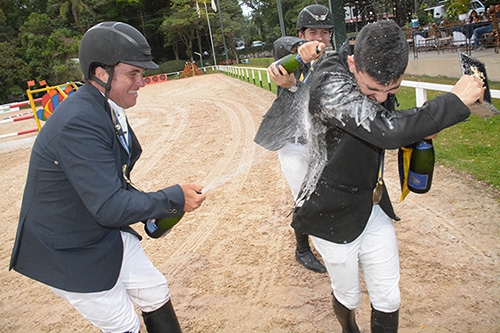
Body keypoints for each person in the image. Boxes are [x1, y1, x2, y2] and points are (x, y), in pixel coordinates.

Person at [9, 22, 206, 332]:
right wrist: (172, 198)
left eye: (142, 73)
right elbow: (110, 206)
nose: (141, 82)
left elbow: (110, 182)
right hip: (68, 248)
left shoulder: (107, 108)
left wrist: (158, 212)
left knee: (154, 289)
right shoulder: (78, 121)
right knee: (124, 324)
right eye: (133, 74)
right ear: (101, 73)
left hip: (99, 229)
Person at [292, 20, 484, 331]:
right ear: (353, 63)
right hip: (329, 209)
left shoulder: (373, 70)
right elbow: (385, 128)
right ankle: (348, 328)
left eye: (392, 90)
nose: (382, 98)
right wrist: (453, 101)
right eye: (372, 90)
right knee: (349, 295)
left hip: (372, 203)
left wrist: (418, 128)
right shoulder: (329, 79)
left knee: (388, 297)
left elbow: (386, 120)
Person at [254, 4, 334, 274]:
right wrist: (302, 48)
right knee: (304, 195)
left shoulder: (333, 64)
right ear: (301, 33)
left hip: (322, 143)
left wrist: (295, 86)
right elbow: (280, 43)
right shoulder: (290, 56)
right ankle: (302, 248)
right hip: (293, 145)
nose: (320, 38)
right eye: (313, 32)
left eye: (325, 33)